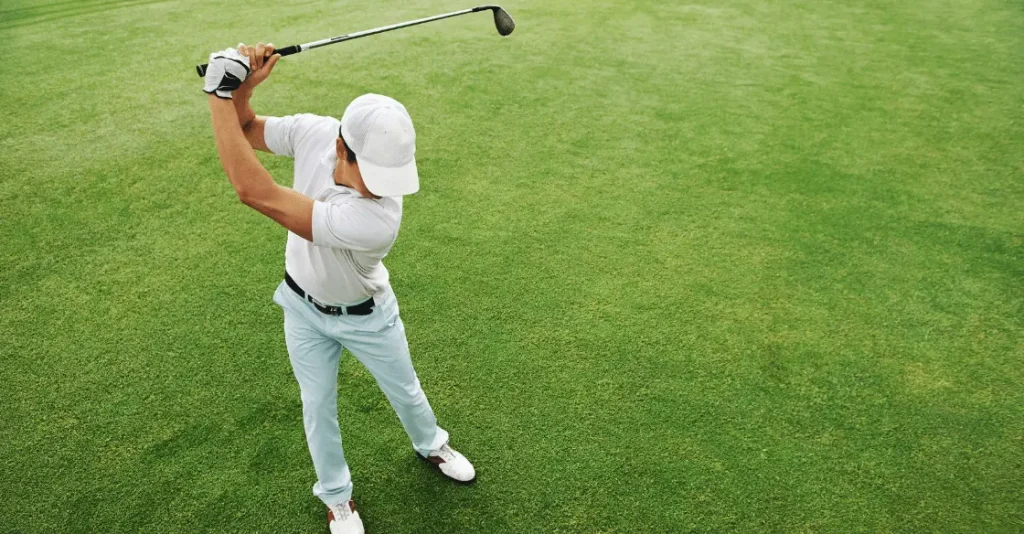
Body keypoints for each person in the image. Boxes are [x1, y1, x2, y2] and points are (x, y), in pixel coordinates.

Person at [201, 43, 474, 534]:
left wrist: (220, 93)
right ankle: (337, 499)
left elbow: (254, 192)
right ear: (342, 148)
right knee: (317, 406)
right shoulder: (316, 132)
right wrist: (243, 91)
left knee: (407, 391)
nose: (384, 186)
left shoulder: (378, 218)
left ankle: (432, 444)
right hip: (302, 309)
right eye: (376, 173)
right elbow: (246, 130)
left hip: (368, 315)